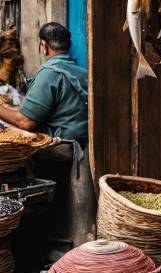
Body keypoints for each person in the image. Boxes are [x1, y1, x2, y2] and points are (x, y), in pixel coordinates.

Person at [0, 22, 95, 247]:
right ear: (69, 45)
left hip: (61, 148)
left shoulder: (50, 73)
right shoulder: (83, 72)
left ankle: (29, 231)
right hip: (80, 142)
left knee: (15, 166)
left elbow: (25, 121)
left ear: (44, 46)